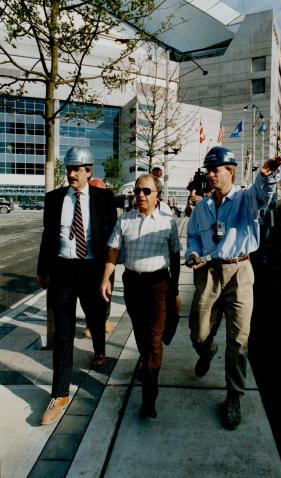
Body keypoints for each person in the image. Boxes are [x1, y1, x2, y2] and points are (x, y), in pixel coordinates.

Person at [186, 145, 281, 430]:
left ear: (230, 172)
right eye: (209, 170)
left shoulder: (245, 198)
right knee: (198, 331)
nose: (211, 175)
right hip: (209, 271)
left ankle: (233, 398)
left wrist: (266, 176)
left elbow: (262, 195)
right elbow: (193, 236)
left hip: (240, 271)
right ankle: (206, 351)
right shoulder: (203, 207)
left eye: (215, 170)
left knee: (239, 338)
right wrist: (192, 254)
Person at [37, 146, 117, 426]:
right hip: (63, 270)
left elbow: (111, 237)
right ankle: (59, 393)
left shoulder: (104, 198)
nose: (71, 174)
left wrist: (110, 272)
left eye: (77, 169)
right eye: (69, 168)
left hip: (92, 269)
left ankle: (99, 350)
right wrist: (41, 270)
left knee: (96, 317)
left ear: (88, 171)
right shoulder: (54, 198)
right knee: (63, 332)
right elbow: (48, 235)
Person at [100, 173, 182, 419]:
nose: (140, 196)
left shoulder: (168, 222)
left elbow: (175, 256)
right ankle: (148, 365)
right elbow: (113, 250)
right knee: (141, 336)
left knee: (154, 342)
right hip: (133, 286)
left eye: (146, 191)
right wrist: (106, 278)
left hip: (158, 286)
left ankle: (149, 397)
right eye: (137, 191)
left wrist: (174, 288)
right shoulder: (124, 220)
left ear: (157, 195)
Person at [83, 177, 112, 338]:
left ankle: (104, 319)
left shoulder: (108, 208)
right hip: (87, 260)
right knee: (88, 295)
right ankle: (90, 322)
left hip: (106, 259)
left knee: (105, 292)